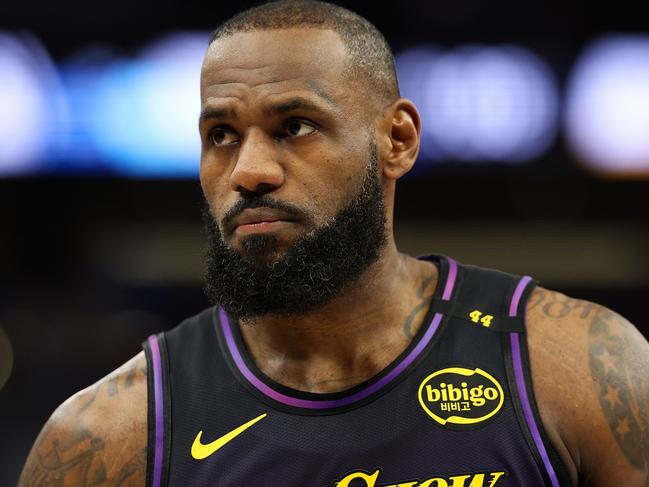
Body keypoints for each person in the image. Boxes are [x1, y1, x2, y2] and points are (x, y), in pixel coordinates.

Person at [19, 1, 649, 486]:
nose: (249, 171)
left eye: (294, 126)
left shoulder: (580, 369)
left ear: (397, 140)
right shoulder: (108, 436)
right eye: (221, 135)